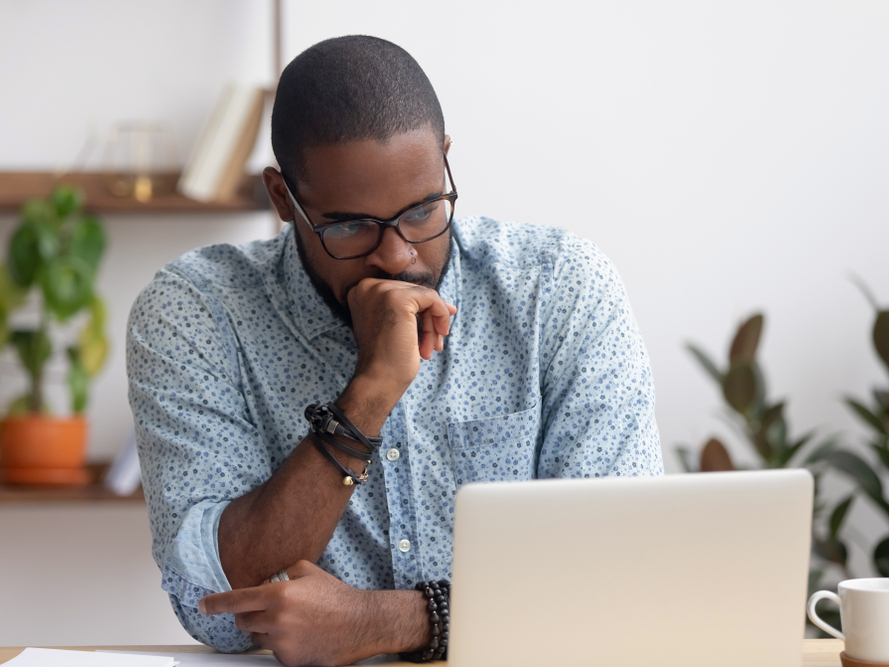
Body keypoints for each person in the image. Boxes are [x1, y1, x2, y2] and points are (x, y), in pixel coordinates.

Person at [127, 35, 663, 667]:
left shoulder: (559, 289)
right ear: (282, 200)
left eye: (421, 210)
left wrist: (381, 622)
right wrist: (370, 392)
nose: (397, 255)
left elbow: (621, 574)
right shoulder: (199, 310)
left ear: (444, 162)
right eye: (350, 225)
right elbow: (215, 607)